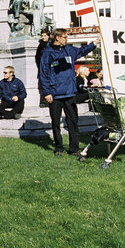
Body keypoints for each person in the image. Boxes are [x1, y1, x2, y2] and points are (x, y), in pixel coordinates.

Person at [40, 28, 98, 156]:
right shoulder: (47, 53)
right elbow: (43, 74)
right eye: (65, 37)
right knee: (55, 123)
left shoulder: (69, 50)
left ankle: (74, 149)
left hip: (70, 93)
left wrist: (94, 44)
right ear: (57, 38)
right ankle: (59, 147)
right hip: (55, 94)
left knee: (73, 122)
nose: (67, 39)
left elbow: (83, 50)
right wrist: (47, 92)